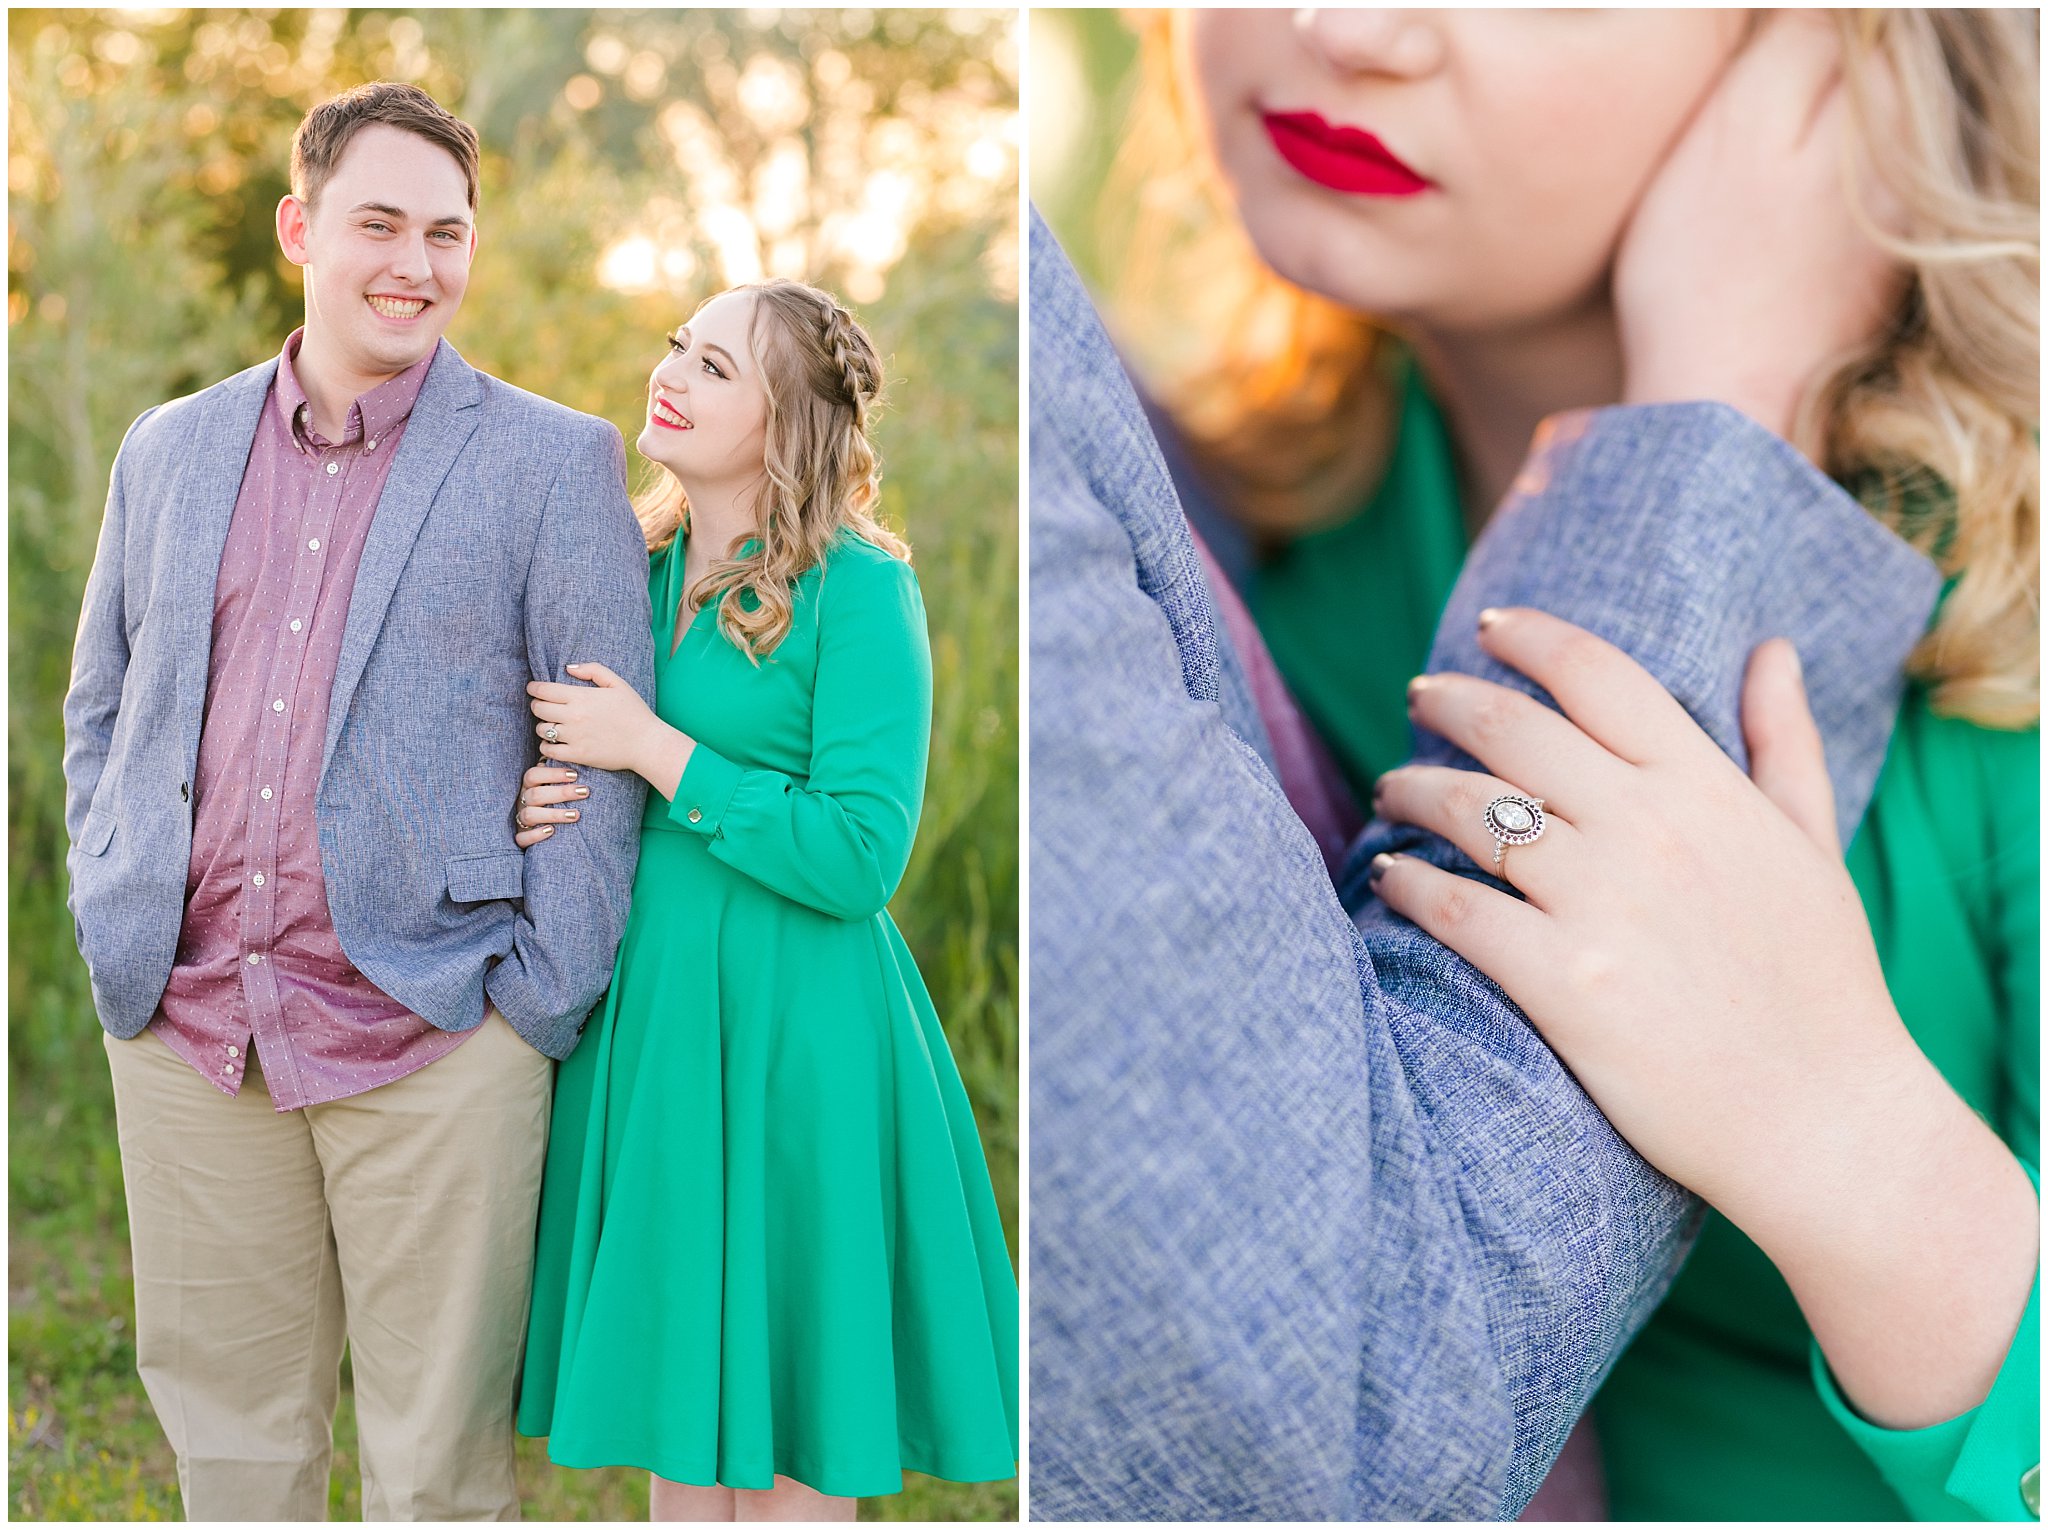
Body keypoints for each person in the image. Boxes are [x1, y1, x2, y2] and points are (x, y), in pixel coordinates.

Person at [1071, 6, 2038, 1520]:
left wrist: (1849, 1139)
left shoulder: (2008, 637)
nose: (1348, 29)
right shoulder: (1252, 545)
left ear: (1841, 57)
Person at [62, 82, 654, 1519]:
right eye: (379, 222)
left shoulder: (551, 460)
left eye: (447, 232)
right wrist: (114, 899)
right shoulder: (168, 450)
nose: (416, 262)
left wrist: (533, 1007)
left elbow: (601, 759)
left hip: (441, 1038)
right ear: (299, 227)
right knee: (235, 1457)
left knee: (435, 1475)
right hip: (196, 1033)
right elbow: (103, 709)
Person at [506, 279, 1019, 1522]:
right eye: (678, 345)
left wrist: (654, 751)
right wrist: (542, 798)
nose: (670, 372)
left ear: (787, 416)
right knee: (686, 1427)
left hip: (803, 1032)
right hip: (664, 1024)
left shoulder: (860, 592)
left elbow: (857, 856)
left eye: (717, 366)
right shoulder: (630, 561)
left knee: (792, 1429)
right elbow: (578, 752)